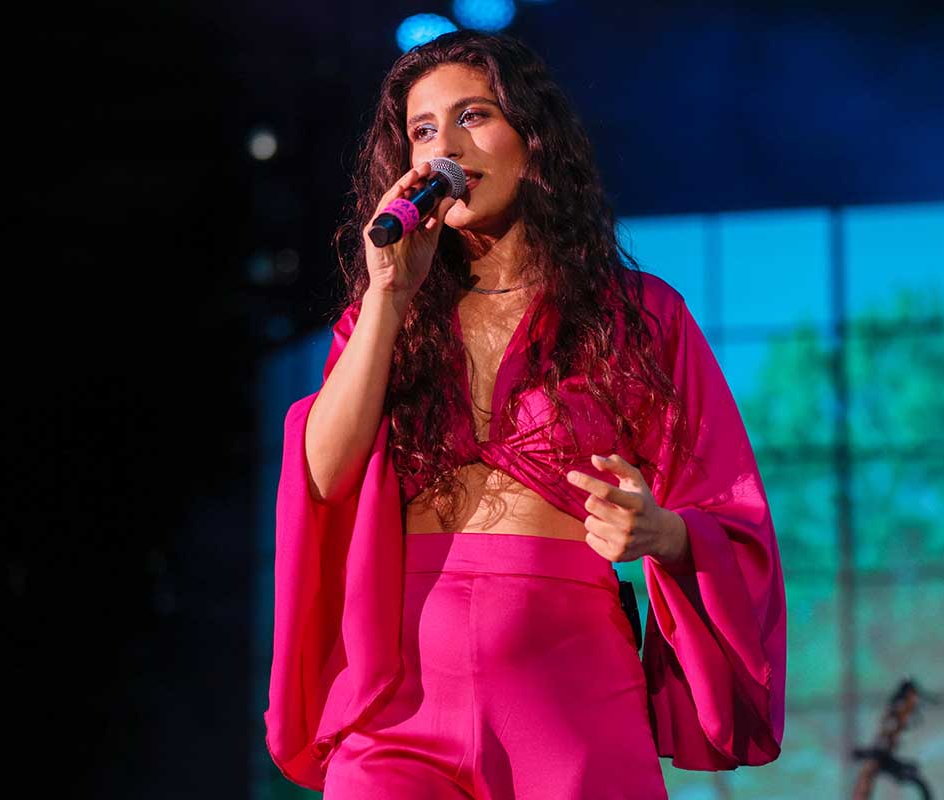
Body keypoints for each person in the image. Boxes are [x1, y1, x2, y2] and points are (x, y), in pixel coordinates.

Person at [263, 29, 786, 800]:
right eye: (423, 130)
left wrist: (662, 533)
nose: (445, 148)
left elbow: (729, 514)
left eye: (473, 116)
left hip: (571, 692)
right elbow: (322, 475)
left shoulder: (638, 316)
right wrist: (387, 298)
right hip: (398, 703)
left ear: (532, 138)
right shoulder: (386, 321)